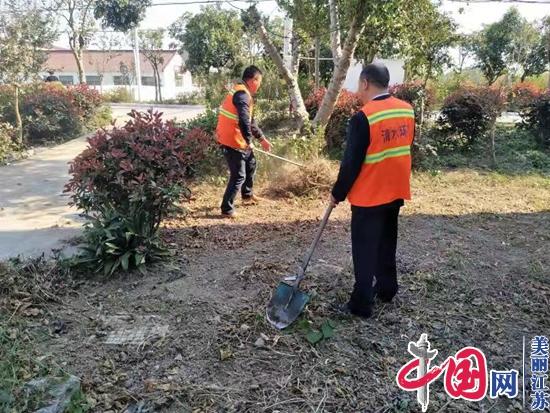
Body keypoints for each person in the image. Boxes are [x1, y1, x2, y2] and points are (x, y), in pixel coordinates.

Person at [330, 63, 415, 318]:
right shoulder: (407, 110)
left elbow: (351, 163)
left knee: (365, 249)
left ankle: (361, 303)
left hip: (369, 196)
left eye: (359, 84)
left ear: (365, 83)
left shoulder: (363, 117)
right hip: (395, 189)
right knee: (387, 242)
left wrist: (338, 192)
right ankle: (387, 289)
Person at [216, 65, 272, 218]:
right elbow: (243, 121)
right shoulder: (242, 94)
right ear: (254, 80)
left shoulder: (244, 94)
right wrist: (249, 140)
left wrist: (262, 140)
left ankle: (247, 196)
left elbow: (251, 122)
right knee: (238, 175)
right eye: (259, 81)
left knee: (251, 163)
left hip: (237, 139)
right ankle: (226, 209)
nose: (259, 85)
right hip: (231, 140)